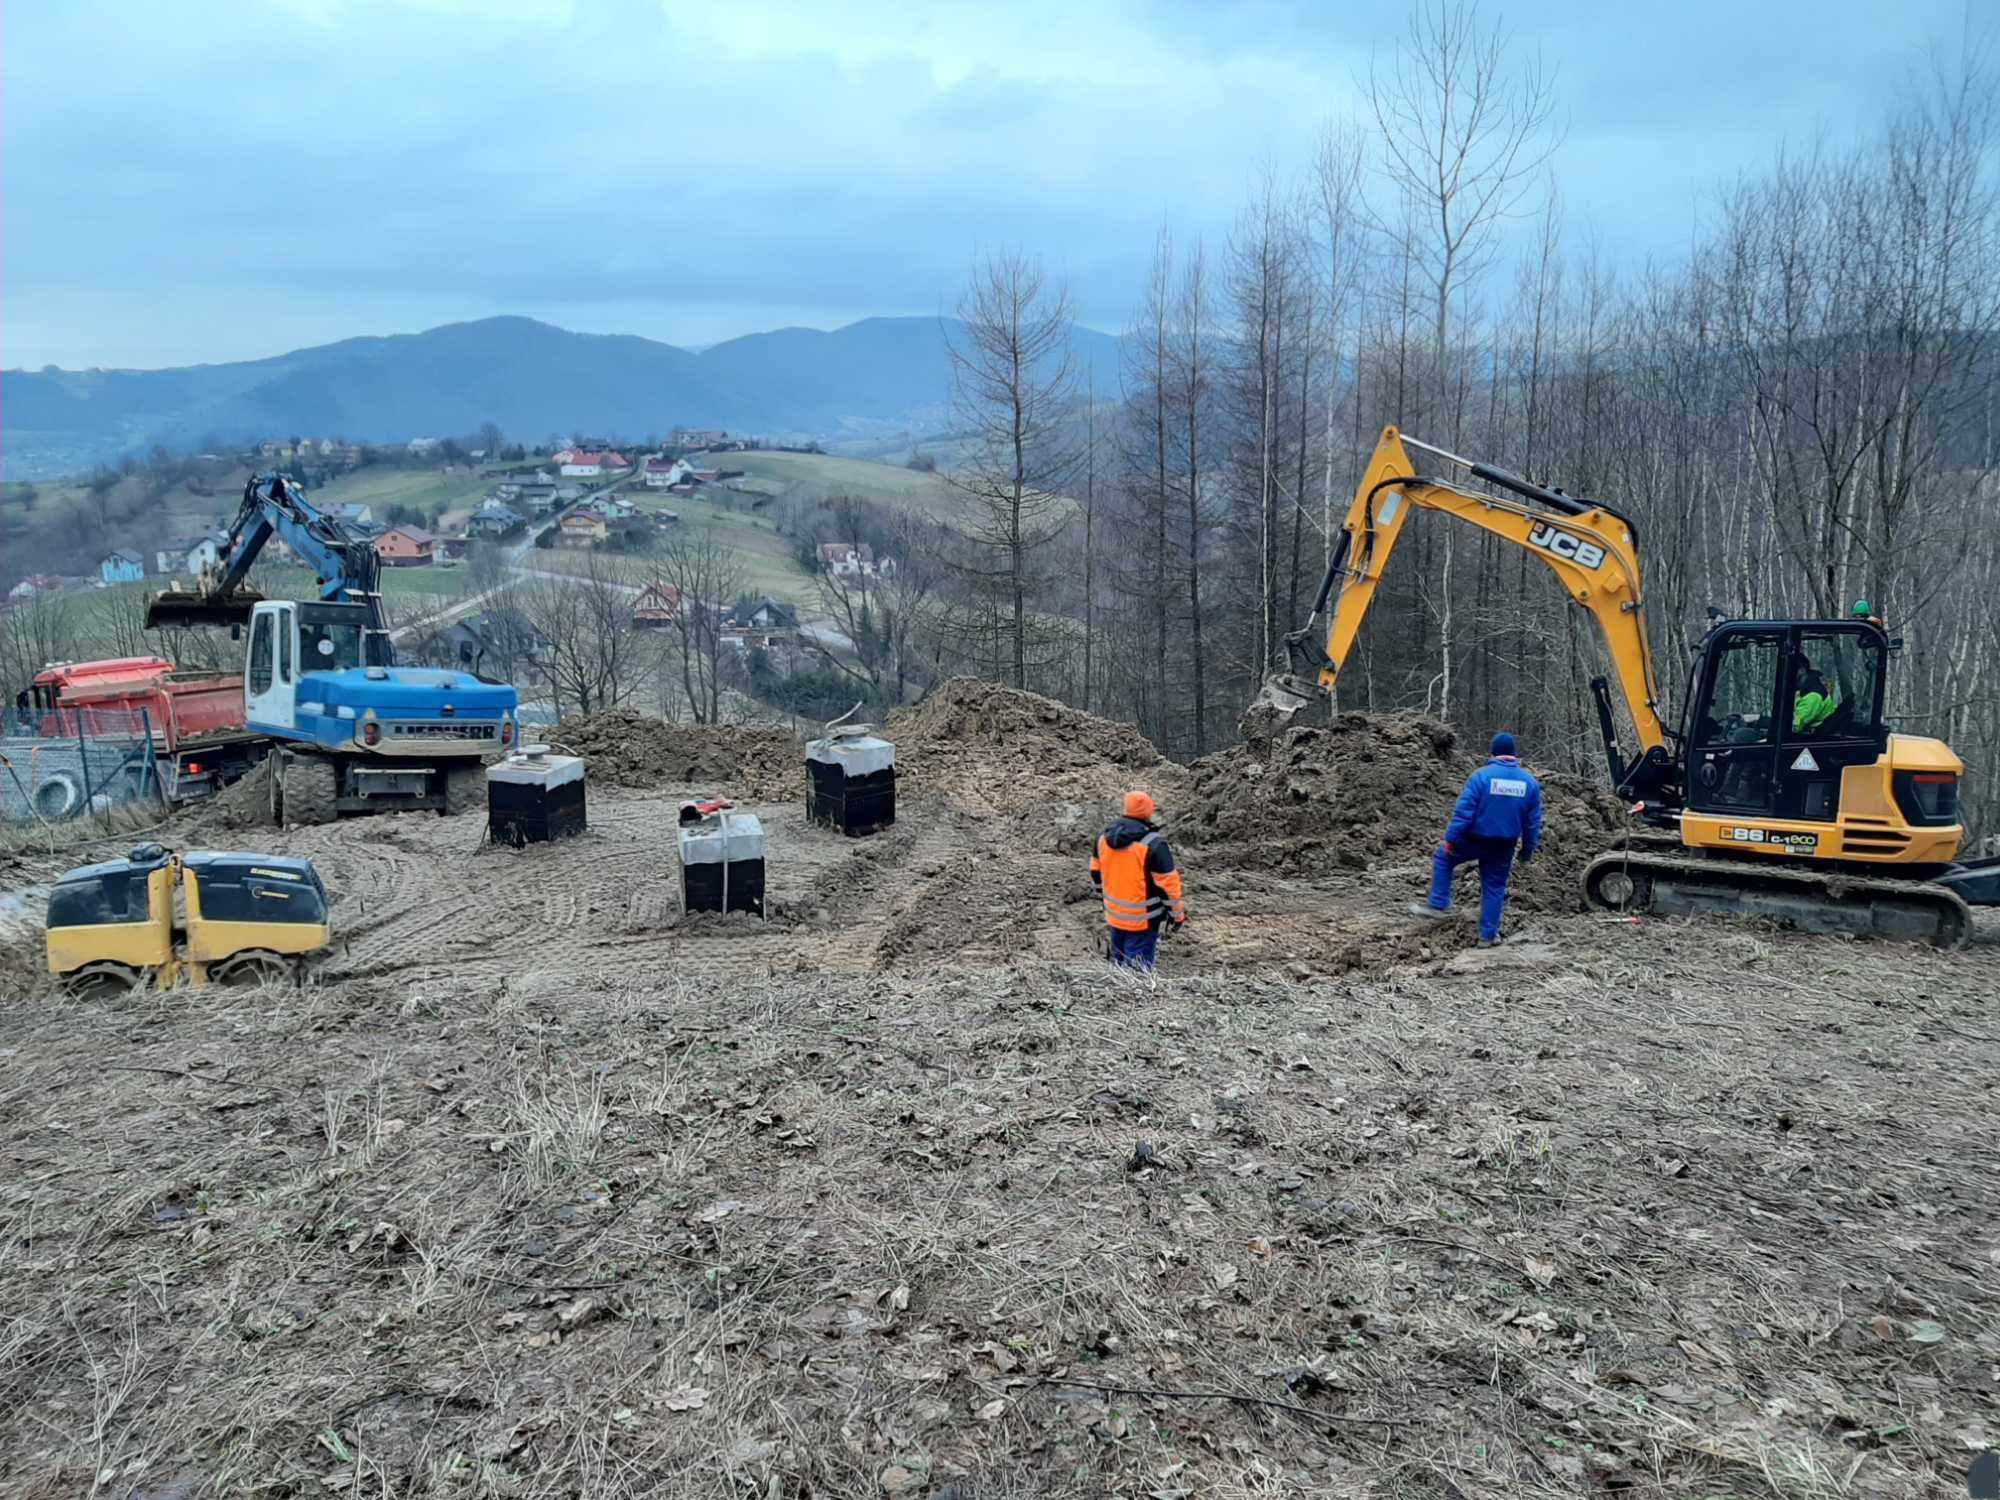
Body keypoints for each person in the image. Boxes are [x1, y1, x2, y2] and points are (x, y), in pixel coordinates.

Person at [1410, 732, 1542, 946]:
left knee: (1443, 858)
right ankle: (1487, 937)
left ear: (1493, 752)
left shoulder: (1481, 776)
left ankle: (1438, 904)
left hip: (1474, 839)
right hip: (1504, 845)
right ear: (1514, 754)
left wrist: (1451, 839)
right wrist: (1527, 850)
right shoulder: (1530, 783)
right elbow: (1532, 824)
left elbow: (1464, 813)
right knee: (1495, 887)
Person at [1090, 790, 1187, 971]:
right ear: (1149, 811)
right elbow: (1168, 886)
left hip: (1114, 915)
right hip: (1143, 920)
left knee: (1119, 965)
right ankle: (1131, 997)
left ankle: (1115, 996)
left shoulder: (1103, 839)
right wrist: (1177, 915)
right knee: (1137, 974)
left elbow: (1095, 872)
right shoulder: (1153, 844)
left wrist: (1102, 896)